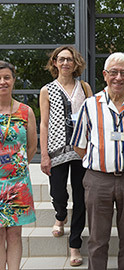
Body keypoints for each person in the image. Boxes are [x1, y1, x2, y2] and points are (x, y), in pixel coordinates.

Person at [71, 52, 124, 270]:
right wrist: (101, 161)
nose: (119, 77)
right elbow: (79, 145)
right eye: (114, 72)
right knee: (98, 239)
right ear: (105, 75)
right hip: (98, 180)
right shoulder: (89, 105)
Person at [39, 46, 92, 267]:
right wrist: (43, 154)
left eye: (69, 59)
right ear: (54, 63)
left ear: (75, 63)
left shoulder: (85, 87)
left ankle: (75, 244)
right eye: (61, 59)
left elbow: (93, 118)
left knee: (81, 198)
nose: (65, 63)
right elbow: (43, 123)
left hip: (81, 151)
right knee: (58, 193)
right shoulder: (47, 90)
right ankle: (60, 215)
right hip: (56, 150)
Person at [0, 61, 37, 270]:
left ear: (13, 81)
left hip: (17, 183)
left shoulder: (25, 111)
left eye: (6, 77)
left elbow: (31, 146)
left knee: (14, 233)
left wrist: (16, 167)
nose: (2, 82)